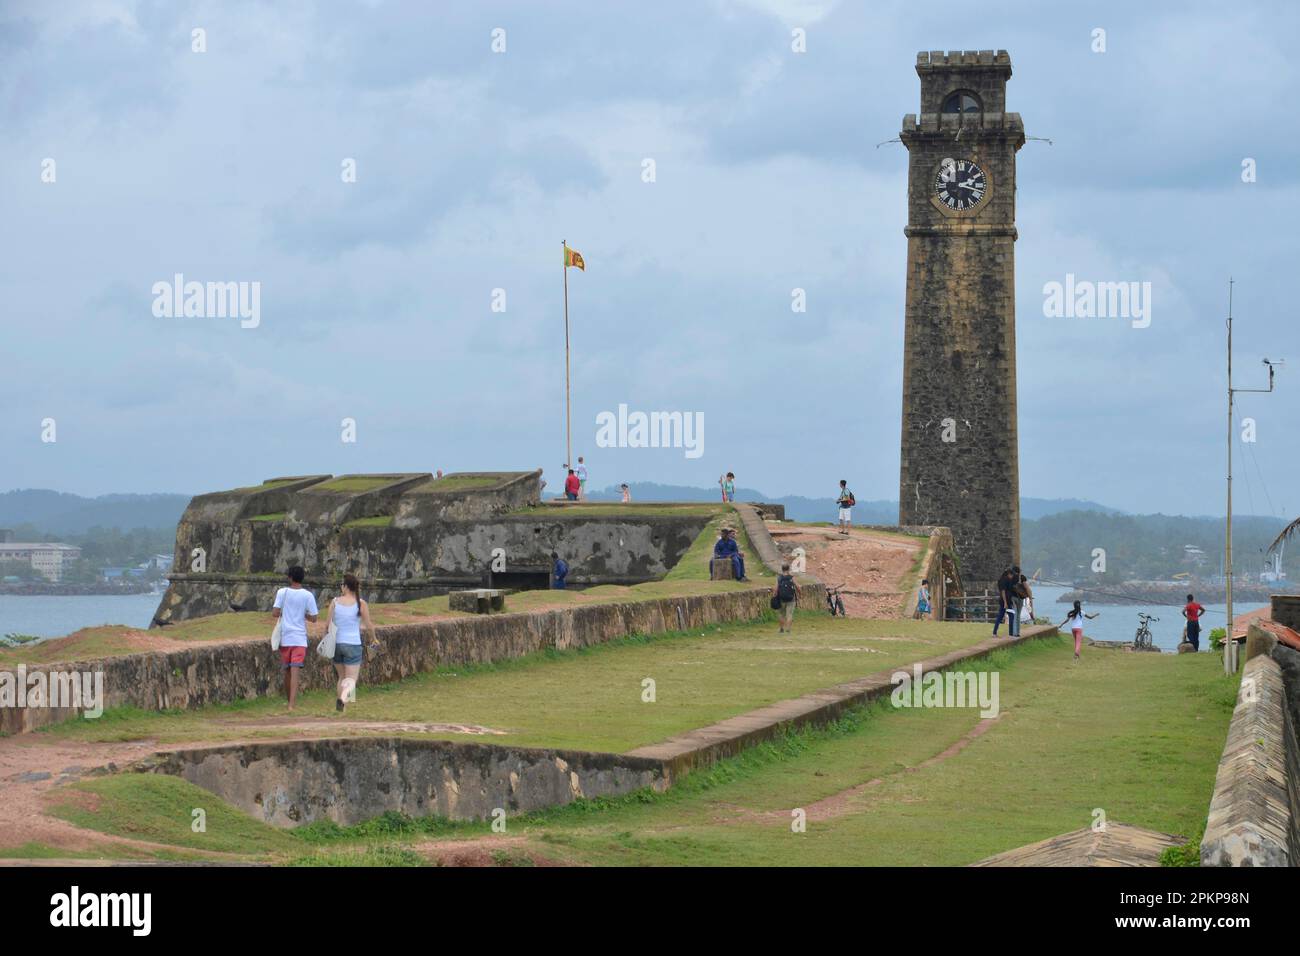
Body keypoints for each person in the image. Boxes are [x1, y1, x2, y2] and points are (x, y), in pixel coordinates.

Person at [327, 572, 375, 712]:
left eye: (342, 585)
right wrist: (374, 638)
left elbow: (327, 625)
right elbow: (368, 624)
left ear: (346, 587)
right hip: (353, 644)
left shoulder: (335, 602)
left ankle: (342, 707)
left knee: (342, 677)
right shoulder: (361, 603)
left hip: (337, 643)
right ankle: (342, 700)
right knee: (351, 679)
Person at [272, 566, 318, 711]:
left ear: (290, 577)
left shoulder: (282, 592)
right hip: (299, 638)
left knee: (287, 671)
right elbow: (314, 618)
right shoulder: (307, 595)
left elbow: (275, 613)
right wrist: (303, 614)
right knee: (295, 671)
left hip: (286, 637)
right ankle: (292, 704)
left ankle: (288, 701)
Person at [992, 566, 1016, 637]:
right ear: (1009, 574)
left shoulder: (1003, 580)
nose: (1012, 577)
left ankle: (995, 632)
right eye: (1012, 575)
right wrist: (1005, 602)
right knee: (1011, 616)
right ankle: (1010, 634)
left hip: (1006, 601)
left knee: (1000, 616)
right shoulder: (1004, 580)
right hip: (1005, 601)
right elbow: (1003, 592)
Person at [774, 562, 797, 633]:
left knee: (781, 614)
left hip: (781, 598)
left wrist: (774, 595)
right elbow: (798, 586)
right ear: (788, 569)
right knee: (789, 614)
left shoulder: (779, 578)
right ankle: (788, 629)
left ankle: (781, 629)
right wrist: (800, 593)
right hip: (791, 599)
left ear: (782, 569)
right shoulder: (791, 577)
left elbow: (776, 588)